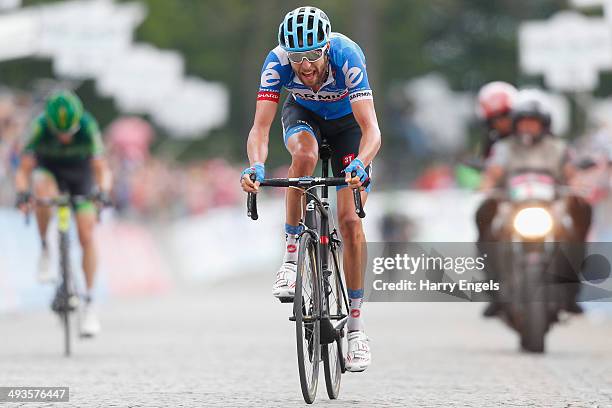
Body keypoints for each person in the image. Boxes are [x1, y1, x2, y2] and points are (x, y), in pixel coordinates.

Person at [240, 6, 381, 372]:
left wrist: (360, 164)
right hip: (304, 117)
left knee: (350, 221)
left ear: (326, 48)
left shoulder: (346, 54)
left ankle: (355, 326)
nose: (305, 66)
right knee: (303, 156)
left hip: (349, 126)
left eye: (312, 56)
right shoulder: (276, 62)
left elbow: (372, 130)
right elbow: (260, 128)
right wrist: (255, 165)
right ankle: (290, 258)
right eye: (297, 58)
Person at [478, 89, 591, 315]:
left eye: (533, 123)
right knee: (488, 220)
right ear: (515, 124)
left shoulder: (558, 148)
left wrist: (578, 186)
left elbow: (572, 174)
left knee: (575, 222)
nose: (528, 128)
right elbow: (492, 173)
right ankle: (496, 287)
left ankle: (570, 287)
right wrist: (487, 187)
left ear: (544, 125)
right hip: (513, 206)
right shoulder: (504, 148)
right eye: (523, 123)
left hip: (551, 207)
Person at [15, 90, 112, 337]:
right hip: (50, 173)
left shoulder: (88, 126)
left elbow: (102, 169)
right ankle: (46, 247)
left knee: (86, 234)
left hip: (81, 176)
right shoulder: (39, 127)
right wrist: (23, 192)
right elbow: (23, 170)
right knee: (41, 191)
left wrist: (103, 191)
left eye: (70, 132)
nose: (66, 137)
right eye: (60, 133)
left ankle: (90, 303)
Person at [476, 81, 518, 159]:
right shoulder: (491, 145)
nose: (501, 122)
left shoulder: (529, 140)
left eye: (505, 115)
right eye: (495, 118)